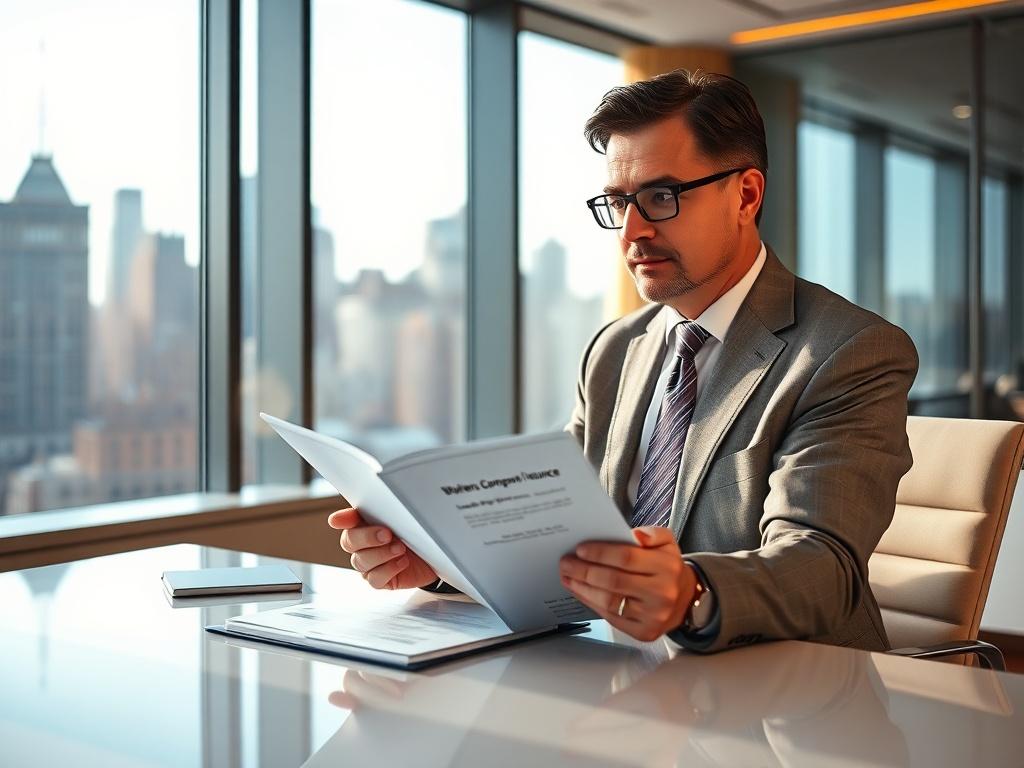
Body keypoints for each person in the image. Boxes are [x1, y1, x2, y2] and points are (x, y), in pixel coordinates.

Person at [328, 69, 918, 653]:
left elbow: (822, 565)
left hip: (795, 690)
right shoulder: (615, 350)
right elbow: (555, 533)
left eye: (661, 197)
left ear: (745, 195)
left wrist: (689, 592)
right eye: (618, 202)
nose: (632, 230)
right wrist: (441, 562)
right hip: (625, 677)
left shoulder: (848, 350)